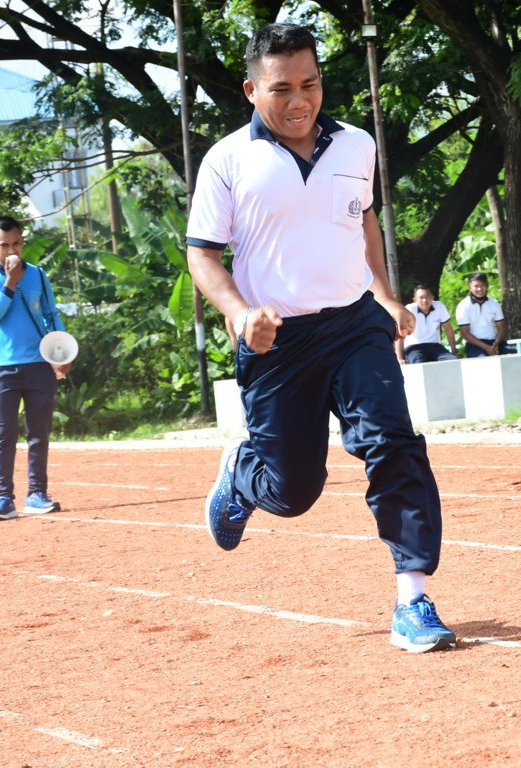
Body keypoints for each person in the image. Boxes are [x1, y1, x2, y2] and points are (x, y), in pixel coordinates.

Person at [185, 23, 455, 653]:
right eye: (282, 89)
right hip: (276, 341)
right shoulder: (228, 161)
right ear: (253, 90)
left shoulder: (356, 145)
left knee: (393, 442)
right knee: (293, 490)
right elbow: (202, 256)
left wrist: (385, 295)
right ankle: (243, 474)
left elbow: (363, 222)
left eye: (310, 84)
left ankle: (412, 598)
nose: (300, 100)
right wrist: (237, 312)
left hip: (354, 323)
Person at [0, 216, 70, 521]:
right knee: (4, 435)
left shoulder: (38, 275)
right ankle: (3, 499)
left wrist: (63, 351)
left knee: (39, 434)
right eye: (4, 245)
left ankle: (37, 495)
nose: (10, 250)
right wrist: (10, 282)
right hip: (2, 368)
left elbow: (51, 315)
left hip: (39, 365)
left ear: (22, 242)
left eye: (16, 243)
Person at [396, 283, 458, 364]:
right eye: (421, 298)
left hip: (435, 346)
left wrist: (454, 352)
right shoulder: (409, 309)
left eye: (428, 297)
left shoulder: (439, 306)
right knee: (419, 363)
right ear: (415, 300)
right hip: (414, 348)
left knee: (452, 361)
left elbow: (448, 330)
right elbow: (401, 334)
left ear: (432, 298)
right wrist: (399, 358)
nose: (425, 301)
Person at [455, 272, 512, 357]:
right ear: (469, 287)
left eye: (482, 285)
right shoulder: (463, 306)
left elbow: (502, 328)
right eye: (476, 286)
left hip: (494, 342)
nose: (480, 289)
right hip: (474, 344)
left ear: (487, 286)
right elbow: (465, 334)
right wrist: (486, 347)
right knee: (482, 361)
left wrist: (496, 344)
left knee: (512, 354)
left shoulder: (494, 303)